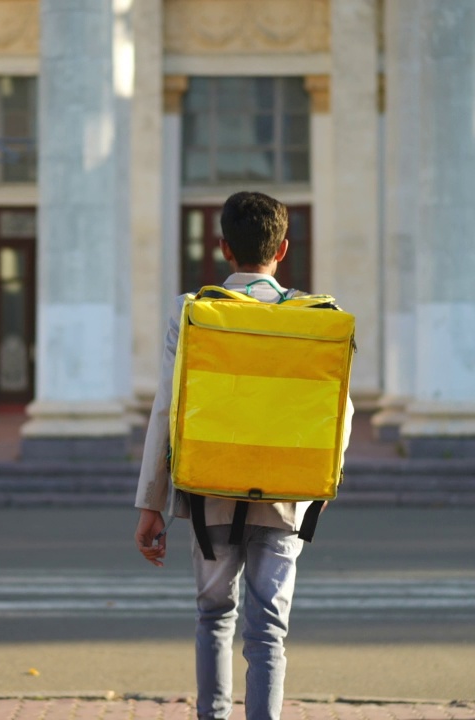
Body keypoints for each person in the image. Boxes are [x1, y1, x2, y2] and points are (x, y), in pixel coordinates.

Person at [133, 190, 353, 720]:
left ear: (222, 248)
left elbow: (168, 410)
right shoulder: (315, 318)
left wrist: (151, 504)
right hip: (284, 495)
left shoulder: (194, 314)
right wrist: (323, 485)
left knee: (214, 616)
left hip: (210, 490)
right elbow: (339, 413)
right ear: (282, 250)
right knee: (268, 633)